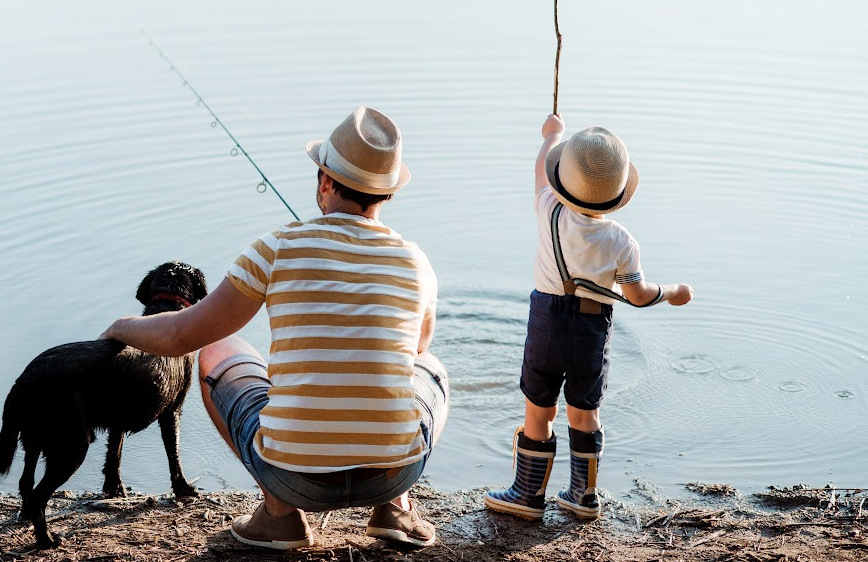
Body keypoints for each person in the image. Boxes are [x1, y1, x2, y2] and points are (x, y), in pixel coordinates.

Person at [101, 106, 449, 550]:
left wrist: (121, 326)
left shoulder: (278, 246)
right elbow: (417, 348)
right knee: (430, 367)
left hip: (291, 477)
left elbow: (179, 337)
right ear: (387, 194)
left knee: (216, 349)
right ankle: (395, 508)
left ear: (325, 181)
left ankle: (280, 516)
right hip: (391, 472)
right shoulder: (416, 262)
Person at [484, 114, 694, 521]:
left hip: (545, 320)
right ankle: (583, 497)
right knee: (584, 411)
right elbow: (637, 295)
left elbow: (538, 172)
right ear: (616, 194)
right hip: (592, 328)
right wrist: (673, 293)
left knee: (538, 409)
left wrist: (553, 135)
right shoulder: (621, 240)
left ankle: (527, 496)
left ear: (563, 181)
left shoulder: (548, 209)